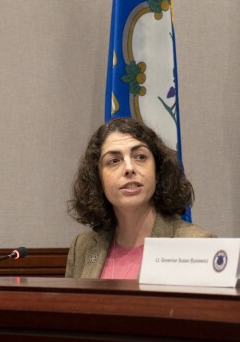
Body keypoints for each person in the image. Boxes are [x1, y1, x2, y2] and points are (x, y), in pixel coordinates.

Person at [66, 118, 214, 278]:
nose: (129, 168)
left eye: (140, 157)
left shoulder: (197, 244)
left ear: (157, 172)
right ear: (98, 179)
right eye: (114, 161)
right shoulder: (82, 247)